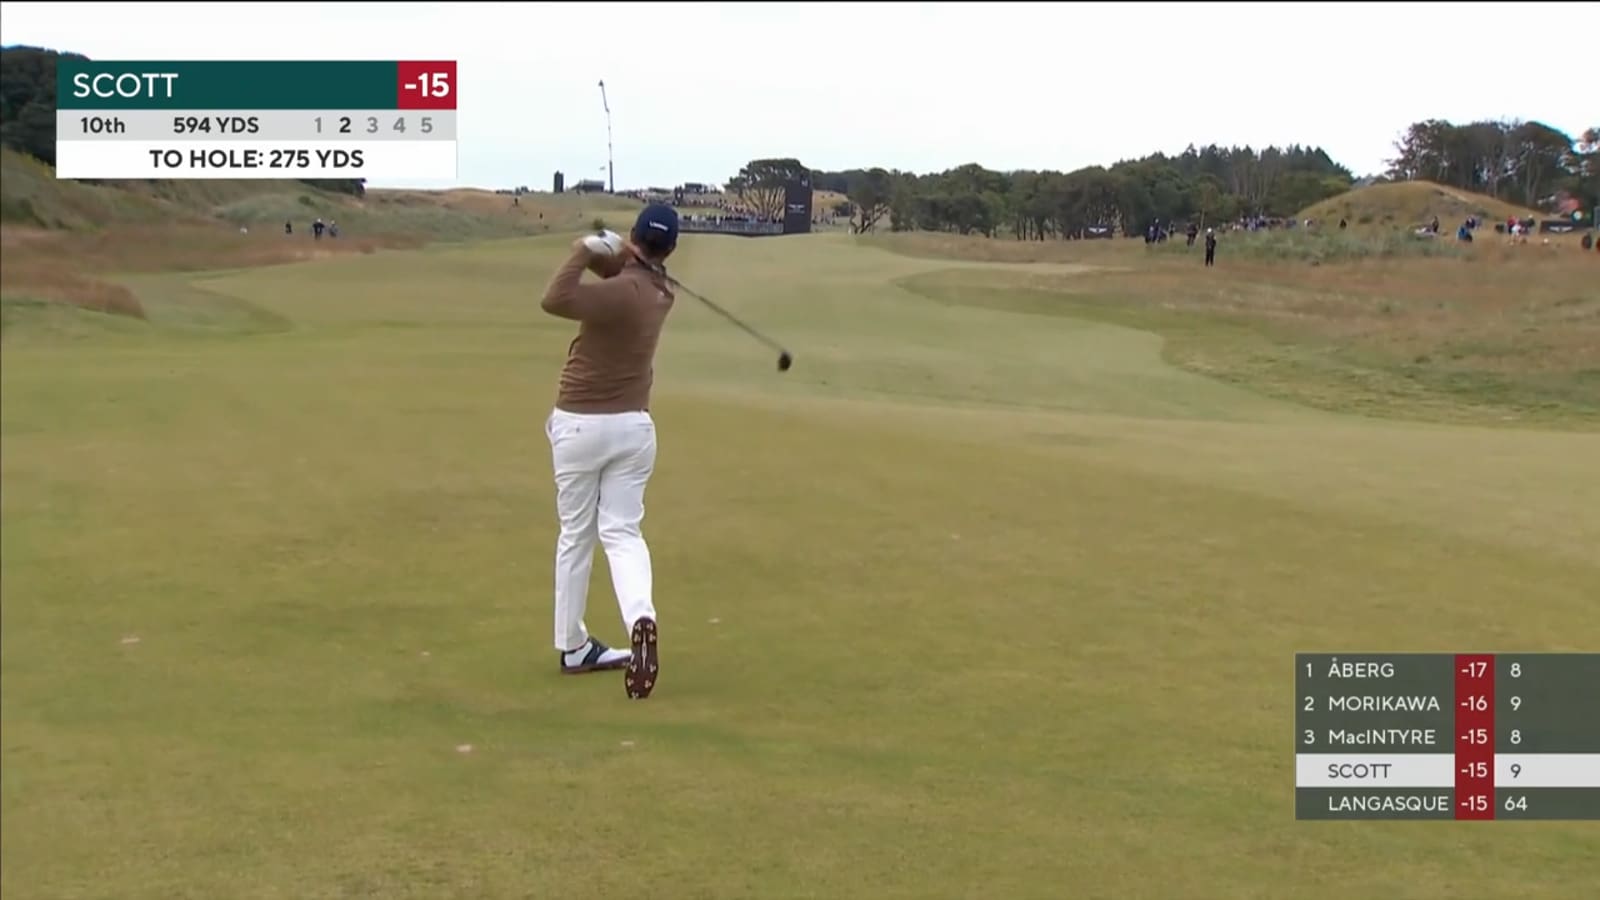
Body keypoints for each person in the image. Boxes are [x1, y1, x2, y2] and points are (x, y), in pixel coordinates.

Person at [537, 204, 680, 699]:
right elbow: (624, 273)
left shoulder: (619, 292)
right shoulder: (662, 292)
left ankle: (573, 646)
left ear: (636, 238)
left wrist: (583, 248)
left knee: (576, 535)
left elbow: (554, 300)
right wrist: (620, 252)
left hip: (580, 425)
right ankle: (641, 615)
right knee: (621, 532)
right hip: (633, 429)